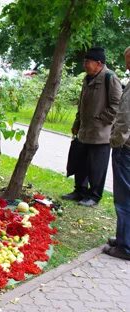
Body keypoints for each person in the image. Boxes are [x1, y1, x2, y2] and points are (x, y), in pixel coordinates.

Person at [62, 47, 122, 207]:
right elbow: (82, 104)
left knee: (97, 166)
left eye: (87, 61)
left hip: (101, 133)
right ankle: (79, 191)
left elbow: (117, 106)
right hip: (84, 130)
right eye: (84, 61)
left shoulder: (110, 78)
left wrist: (100, 119)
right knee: (80, 162)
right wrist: (77, 122)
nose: (85, 64)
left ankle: (94, 196)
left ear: (99, 63)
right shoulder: (87, 78)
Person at [103, 46, 130, 260]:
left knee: (124, 199)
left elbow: (124, 120)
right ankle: (124, 239)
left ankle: (125, 246)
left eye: (128, 60)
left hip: (126, 150)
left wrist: (115, 141)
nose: (126, 64)